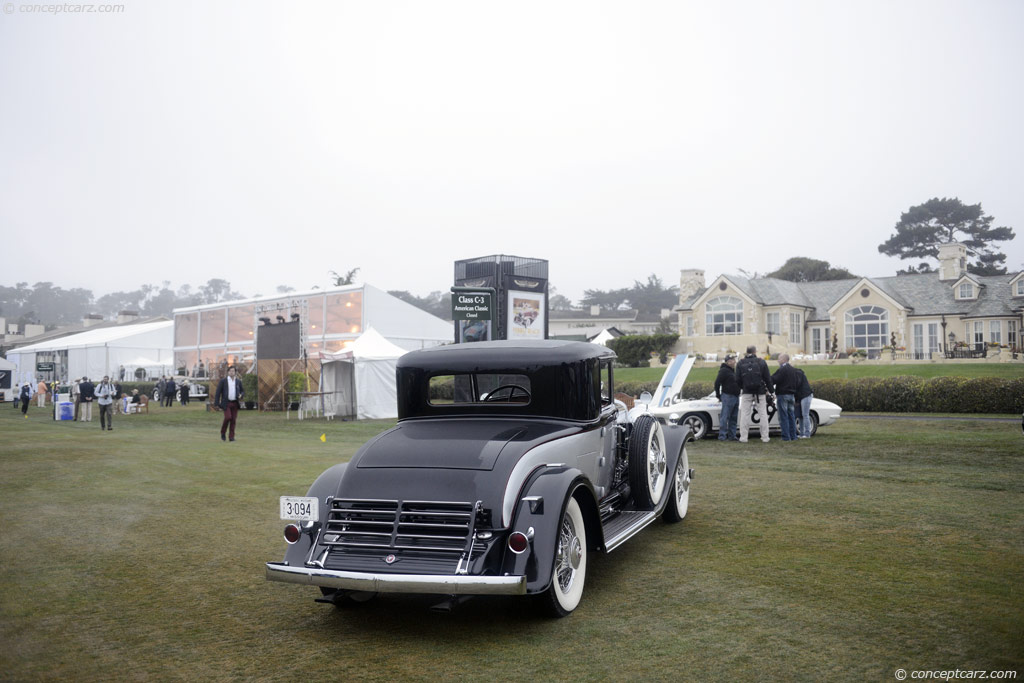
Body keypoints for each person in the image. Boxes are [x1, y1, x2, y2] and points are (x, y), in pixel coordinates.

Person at [735, 345, 774, 443]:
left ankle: (743, 437)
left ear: (746, 352)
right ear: (755, 352)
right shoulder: (761, 362)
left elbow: (737, 379)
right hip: (760, 391)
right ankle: (765, 437)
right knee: (763, 414)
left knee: (745, 414)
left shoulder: (740, 363)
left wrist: (743, 387)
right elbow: (767, 378)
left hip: (746, 391)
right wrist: (771, 391)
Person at [771, 353, 799, 442]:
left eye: (779, 359)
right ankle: (793, 436)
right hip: (791, 395)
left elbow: (774, 379)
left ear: (783, 359)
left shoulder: (782, 369)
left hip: (783, 394)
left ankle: (786, 437)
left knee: (784, 416)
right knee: (791, 416)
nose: (778, 361)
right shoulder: (793, 370)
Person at [714, 354, 741, 441]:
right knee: (725, 417)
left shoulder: (733, 371)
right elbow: (717, 383)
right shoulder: (724, 371)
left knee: (733, 417)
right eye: (733, 360)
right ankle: (722, 436)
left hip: (736, 396)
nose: (735, 361)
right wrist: (718, 395)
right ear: (728, 361)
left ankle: (732, 436)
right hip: (728, 396)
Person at [215, 366, 244, 442]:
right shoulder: (223, 381)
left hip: (235, 403)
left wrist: (241, 395)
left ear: (235, 372)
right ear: (228, 372)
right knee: (228, 417)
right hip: (226, 403)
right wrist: (217, 404)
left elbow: (242, 391)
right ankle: (223, 432)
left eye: (233, 371)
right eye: (230, 371)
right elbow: (218, 392)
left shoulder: (238, 381)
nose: (232, 372)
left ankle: (231, 437)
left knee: (233, 420)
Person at [795, 365, 814, 439]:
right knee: (801, 416)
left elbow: (796, 387)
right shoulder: (800, 374)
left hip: (805, 396)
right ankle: (802, 433)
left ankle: (807, 434)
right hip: (803, 396)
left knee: (805, 415)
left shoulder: (797, 376)